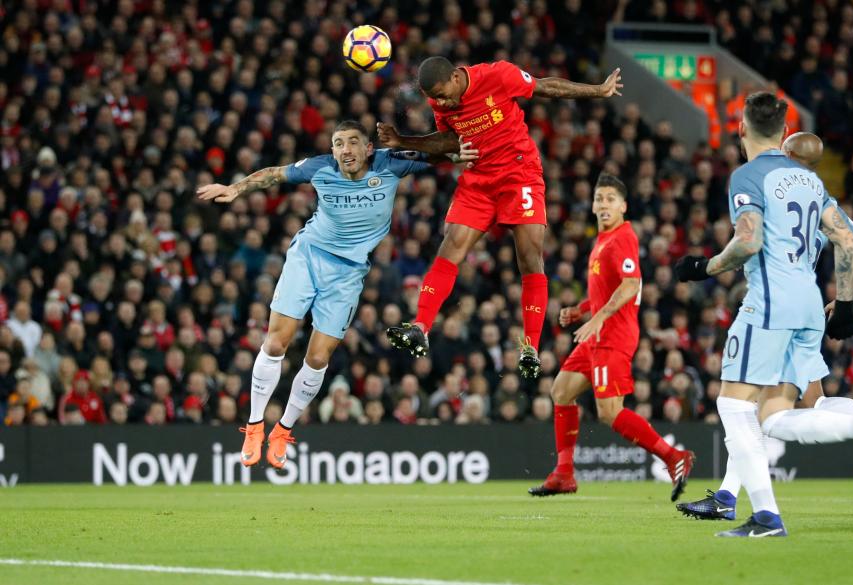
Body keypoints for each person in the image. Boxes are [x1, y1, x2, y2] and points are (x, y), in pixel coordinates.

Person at [673, 92, 853, 538]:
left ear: (741, 129)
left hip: (771, 302)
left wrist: (702, 268)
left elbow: (748, 241)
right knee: (776, 414)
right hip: (808, 302)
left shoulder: (747, 175)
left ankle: (765, 516)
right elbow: (847, 243)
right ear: (783, 132)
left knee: (732, 404)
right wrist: (844, 302)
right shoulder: (810, 182)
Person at [197, 120, 474, 469]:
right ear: (333, 151)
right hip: (309, 257)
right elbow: (274, 174)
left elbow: (438, 152)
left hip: (347, 274)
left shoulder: (390, 163)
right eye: (339, 143)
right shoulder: (320, 167)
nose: (346, 149)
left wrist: (456, 152)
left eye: (353, 142)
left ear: (367, 148)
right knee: (276, 343)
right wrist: (236, 189)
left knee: (316, 359)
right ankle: (254, 425)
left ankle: (283, 430)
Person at [378, 56, 622, 378]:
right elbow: (450, 139)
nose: (440, 102)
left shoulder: (498, 76)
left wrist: (598, 91)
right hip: (478, 180)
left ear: (455, 76)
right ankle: (421, 326)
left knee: (530, 256)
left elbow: (546, 86)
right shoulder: (440, 99)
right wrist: (403, 140)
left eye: (442, 95)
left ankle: (530, 347)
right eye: (434, 98)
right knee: (451, 246)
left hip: (519, 173)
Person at [528, 173, 695, 500]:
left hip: (614, 336)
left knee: (608, 412)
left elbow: (631, 285)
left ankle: (675, 457)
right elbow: (610, 288)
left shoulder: (623, 238)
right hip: (597, 333)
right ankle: (563, 474)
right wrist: (582, 310)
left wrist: (599, 318)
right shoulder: (603, 239)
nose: (603, 204)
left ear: (623, 206)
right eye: (599, 198)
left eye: (610, 199)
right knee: (561, 390)